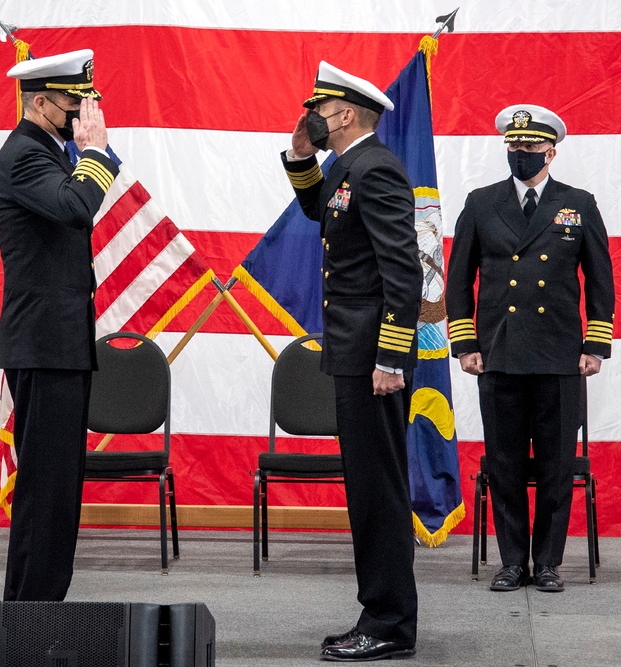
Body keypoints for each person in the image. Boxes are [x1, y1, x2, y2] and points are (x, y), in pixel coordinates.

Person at [282, 61, 423, 661]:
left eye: (317, 110)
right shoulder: (349, 168)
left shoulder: (378, 170)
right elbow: (323, 210)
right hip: (353, 351)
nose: (310, 116)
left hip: (374, 358)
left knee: (378, 490)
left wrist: (391, 356)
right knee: (367, 488)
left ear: (343, 114)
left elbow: (403, 269)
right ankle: (380, 612)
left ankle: (389, 622)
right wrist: (298, 156)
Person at [446, 105, 614, 592]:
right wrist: (465, 343)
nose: (520, 154)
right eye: (513, 147)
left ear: (551, 151)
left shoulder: (578, 203)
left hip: (560, 356)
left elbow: (600, 279)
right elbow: (459, 281)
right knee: (505, 463)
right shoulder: (481, 203)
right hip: (498, 353)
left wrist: (595, 344)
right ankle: (512, 561)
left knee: (558, 464)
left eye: (530, 147)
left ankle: (547, 563)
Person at [0, 49, 119, 602]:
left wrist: (86, 154)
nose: (83, 111)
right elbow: (74, 207)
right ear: (39, 102)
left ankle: (37, 605)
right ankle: (31, 611)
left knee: (59, 486)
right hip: (43, 343)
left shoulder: (49, 152)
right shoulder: (24, 155)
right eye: (73, 100)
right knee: (45, 488)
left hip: (59, 342)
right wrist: (94, 154)